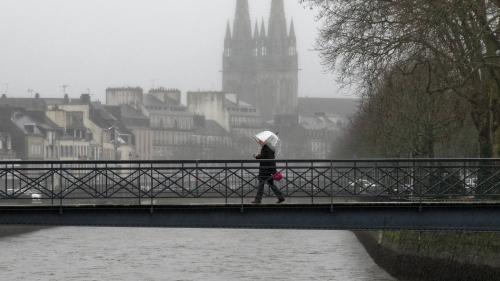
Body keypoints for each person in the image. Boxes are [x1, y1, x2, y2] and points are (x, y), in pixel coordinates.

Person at [251, 140, 285, 204]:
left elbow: (265, 158)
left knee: (261, 184)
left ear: (265, 141)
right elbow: (266, 157)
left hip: (265, 169)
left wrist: (256, 156)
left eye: (260, 141)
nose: (259, 143)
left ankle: (258, 200)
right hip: (268, 169)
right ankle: (280, 197)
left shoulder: (266, 148)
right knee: (271, 184)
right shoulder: (269, 148)